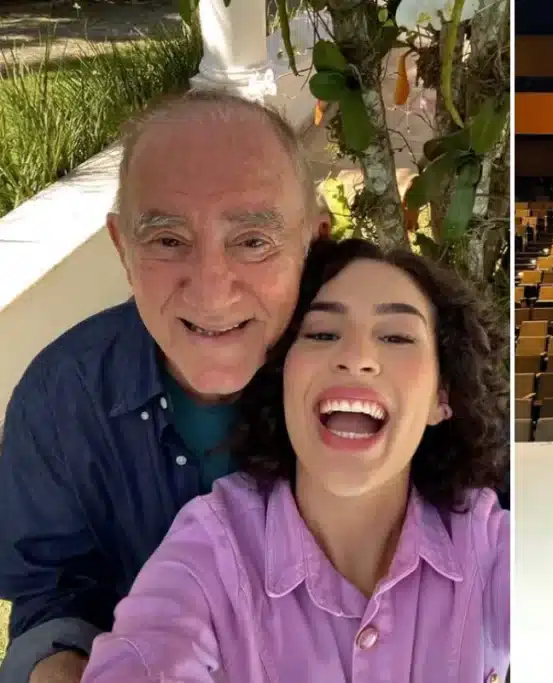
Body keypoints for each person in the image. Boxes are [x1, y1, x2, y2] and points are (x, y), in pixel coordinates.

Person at [0, 91, 330, 683]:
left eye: (253, 241)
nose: (211, 291)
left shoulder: (375, 387)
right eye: (168, 240)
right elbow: (50, 594)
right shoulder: (63, 398)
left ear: (314, 242)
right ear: (122, 248)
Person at [77, 237, 510, 682]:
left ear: (443, 396)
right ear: (282, 374)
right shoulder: (210, 550)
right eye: (322, 334)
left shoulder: (490, 544)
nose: (357, 358)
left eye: (397, 336)